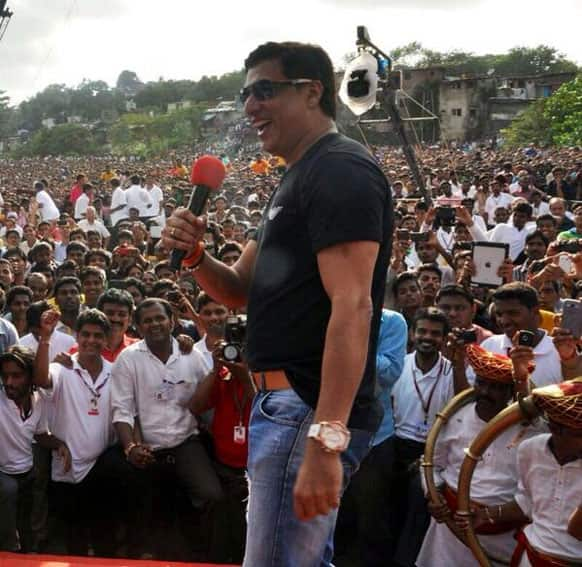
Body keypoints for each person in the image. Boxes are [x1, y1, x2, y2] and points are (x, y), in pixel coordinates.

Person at [162, 41, 392, 567]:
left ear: (312, 92)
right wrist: (196, 255)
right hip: (284, 410)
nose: (250, 108)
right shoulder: (294, 178)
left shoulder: (339, 171)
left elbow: (352, 306)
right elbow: (239, 288)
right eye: (246, 95)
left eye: (265, 91)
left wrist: (326, 437)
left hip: (305, 408)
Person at [110, 298, 222, 554]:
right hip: (146, 448)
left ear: (172, 321)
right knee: (148, 514)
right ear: (137, 326)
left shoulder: (190, 354)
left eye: (160, 318)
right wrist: (130, 448)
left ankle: (202, 555)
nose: (155, 324)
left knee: (211, 495)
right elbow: (122, 410)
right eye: (147, 320)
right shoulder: (128, 359)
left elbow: (209, 395)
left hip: (186, 443)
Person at [416, 343, 534, 567]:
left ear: (510, 392)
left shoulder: (529, 430)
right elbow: (431, 464)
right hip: (449, 531)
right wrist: (434, 495)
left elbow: (533, 492)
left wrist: (493, 515)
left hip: (500, 538)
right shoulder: (454, 416)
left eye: (496, 387)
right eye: (481, 383)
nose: (485, 392)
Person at [464, 378, 582, 564]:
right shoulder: (530, 450)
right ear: (556, 429)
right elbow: (527, 502)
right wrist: (489, 514)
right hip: (530, 558)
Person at [33, 309, 121, 556]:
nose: (91, 340)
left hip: (102, 467)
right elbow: (41, 379)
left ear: (105, 339)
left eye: (97, 335)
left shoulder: (116, 371)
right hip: (68, 469)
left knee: (105, 536)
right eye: (85, 335)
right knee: (76, 542)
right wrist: (46, 338)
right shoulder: (62, 368)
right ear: (77, 337)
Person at [335, 309, 407, 566]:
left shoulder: (392, 322)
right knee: (334, 519)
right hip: (329, 437)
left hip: (374, 441)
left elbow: (387, 373)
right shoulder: (324, 313)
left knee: (371, 521)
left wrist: (350, 340)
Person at [390, 307, 454, 566]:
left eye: (436, 334)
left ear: (445, 338)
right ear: (412, 334)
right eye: (422, 331)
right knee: (388, 509)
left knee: (417, 514)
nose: (428, 337)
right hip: (396, 447)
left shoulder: (453, 371)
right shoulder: (399, 365)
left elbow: (460, 409)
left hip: (431, 452)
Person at [0, 346, 64, 552]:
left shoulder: (40, 401)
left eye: (17, 376)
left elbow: (38, 434)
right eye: (5, 376)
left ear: (31, 377)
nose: (9, 382)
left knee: (33, 508)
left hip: (27, 471)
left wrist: (59, 445)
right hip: (3, 473)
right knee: (8, 491)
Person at [468, 282, 562, 388]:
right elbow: (470, 394)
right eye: (499, 314)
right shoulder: (489, 346)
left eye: (513, 313)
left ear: (535, 311)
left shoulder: (560, 352)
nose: (504, 321)